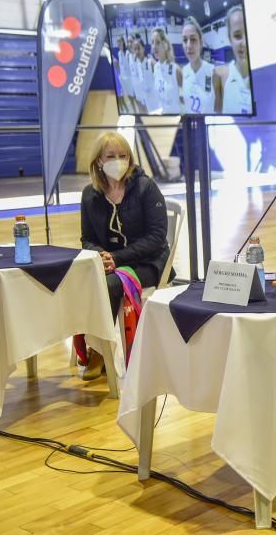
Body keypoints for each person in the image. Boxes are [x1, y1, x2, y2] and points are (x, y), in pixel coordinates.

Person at [80, 132, 171, 379]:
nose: (118, 160)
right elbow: (87, 239)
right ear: (99, 160)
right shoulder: (90, 194)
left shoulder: (145, 187)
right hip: (111, 263)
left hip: (147, 262)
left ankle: (99, 351)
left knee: (108, 285)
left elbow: (156, 238)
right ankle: (94, 343)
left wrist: (116, 258)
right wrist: (101, 256)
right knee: (78, 279)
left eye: (123, 155)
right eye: (111, 156)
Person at [215, 5, 254, 115]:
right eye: (237, 36)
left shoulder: (263, 77)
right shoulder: (221, 76)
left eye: (249, 34)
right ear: (229, 39)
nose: (245, 43)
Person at [181, 17, 216, 115]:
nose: (188, 45)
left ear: (201, 43)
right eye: (185, 40)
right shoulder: (184, 71)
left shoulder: (212, 71)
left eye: (193, 39)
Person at [151, 28, 182, 115]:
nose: (154, 46)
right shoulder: (156, 68)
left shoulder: (175, 69)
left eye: (157, 42)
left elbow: (189, 96)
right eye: (152, 42)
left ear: (165, 45)